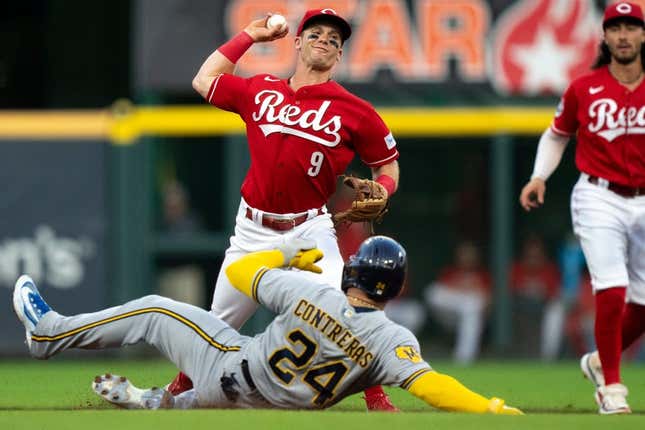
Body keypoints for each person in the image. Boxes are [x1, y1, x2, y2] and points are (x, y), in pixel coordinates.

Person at [173, 8, 401, 410]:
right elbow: (203, 80)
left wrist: (383, 188)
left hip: (308, 230)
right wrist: (247, 35)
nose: (325, 40)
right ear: (297, 42)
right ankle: (176, 391)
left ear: (339, 56)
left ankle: (376, 398)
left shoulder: (355, 110)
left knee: (347, 312)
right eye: (316, 33)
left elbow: (387, 165)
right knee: (215, 325)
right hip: (252, 232)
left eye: (335, 39)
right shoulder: (261, 89)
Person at [12, 236, 522, 414]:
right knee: (208, 401)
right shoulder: (392, 339)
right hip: (256, 402)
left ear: (351, 272)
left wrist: (285, 255)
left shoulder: (312, 290)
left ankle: (50, 332)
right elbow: (434, 389)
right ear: (400, 288)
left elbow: (239, 273)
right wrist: (492, 408)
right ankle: (157, 403)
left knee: (154, 310)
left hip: (229, 368)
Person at [519, 2, 645, 414]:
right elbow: (557, 135)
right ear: (605, 37)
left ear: (642, 36)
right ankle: (611, 387)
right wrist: (539, 176)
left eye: (631, 27)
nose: (624, 35)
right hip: (598, 195)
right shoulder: (584, 87)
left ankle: (596, 360)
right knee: (610, 289)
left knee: (642, 304)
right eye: (616, 28)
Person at [423, 241, 491, 364]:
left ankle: (463, 358)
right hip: (447, 315)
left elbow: (487, 300)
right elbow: (439, 292)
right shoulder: (450, 271)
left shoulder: (482, 274)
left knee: (471, 307)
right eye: (464, 254)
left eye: (470, 254)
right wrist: (463, 288)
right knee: (432, 291)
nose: (467, 257)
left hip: (471, 319)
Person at [509, 235, 562, 360]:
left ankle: (548, 357)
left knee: (556, 311)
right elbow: (510, 291)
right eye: (530, 255)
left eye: (536, 255)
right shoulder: (517, 268)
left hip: (544, 307)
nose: (533, 259)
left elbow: (554, 294)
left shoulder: (549, 269)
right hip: (519, 308)